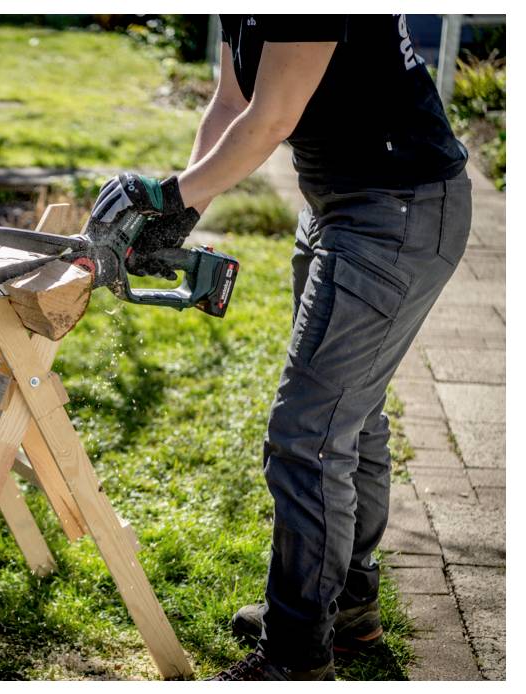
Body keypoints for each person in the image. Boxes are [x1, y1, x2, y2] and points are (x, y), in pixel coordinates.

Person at [88, 15, 471, 680]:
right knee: (350, 417)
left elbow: (269, 119)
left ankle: (295, 656)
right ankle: (346, 605)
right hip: (335, 206)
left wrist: (165, 199)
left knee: (308, 436)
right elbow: (230, 104)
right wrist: (182, 210)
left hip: (399, 210)